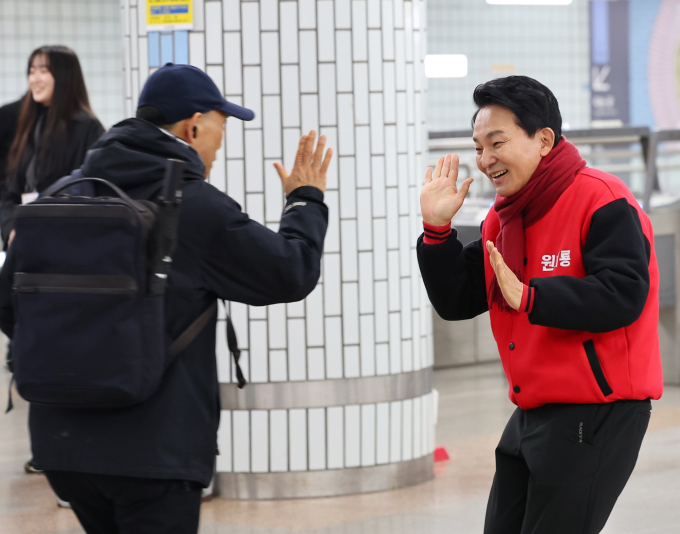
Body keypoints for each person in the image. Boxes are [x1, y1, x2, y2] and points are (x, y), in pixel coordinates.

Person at [0, 62, 331, 534]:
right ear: (193, 127)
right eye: (221, 126)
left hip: (62, 445)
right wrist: (305, 201)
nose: (220, 141)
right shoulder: (191, 205)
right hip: (155, 452)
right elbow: (290, 271)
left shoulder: (61, 194)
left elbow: (9, 304)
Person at [417, 76, 662, 534]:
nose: (485, 159)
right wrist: (437, 233)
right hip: (532, 410)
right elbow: (456, 300)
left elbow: (624, 295)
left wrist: (531, 297)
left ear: (544, 139)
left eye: (497, 143)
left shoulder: (601, 199)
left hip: (598, 411)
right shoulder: (504, 217)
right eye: (477, 147)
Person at [2, 45, 104, 247]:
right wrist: (11, 229)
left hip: (66, 243)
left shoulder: (87, 128)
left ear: (64, 76)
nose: (34, 79)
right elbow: (10, 193)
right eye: (31, 72)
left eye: (43, 71)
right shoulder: (29, 124)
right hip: (26, 239)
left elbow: (91, 192)